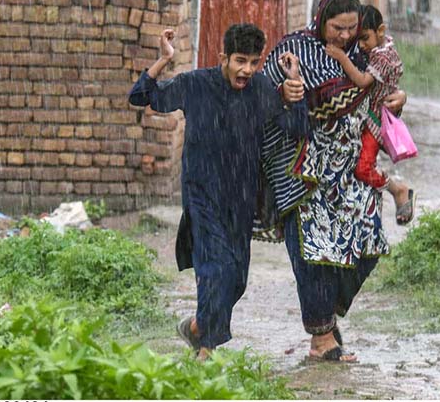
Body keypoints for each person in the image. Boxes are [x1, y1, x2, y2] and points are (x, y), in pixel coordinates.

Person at [128, 25, 308, 360]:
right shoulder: (196, 84)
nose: (247, 70)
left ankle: (197, 327)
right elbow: (141, 96)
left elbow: (296, 129)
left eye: (254, 62)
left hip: (241, 197)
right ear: (223, 57)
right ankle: (206, 351)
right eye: (240, 61)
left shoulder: (261, 89)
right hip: (201, 192)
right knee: (215, 267)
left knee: (236, 277)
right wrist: (165, 59)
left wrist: (294, 90)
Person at [259, 0, 407, 362]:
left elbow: (377, 95)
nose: (344, 35)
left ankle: (326, 313)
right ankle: (322, 337)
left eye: (351, 28)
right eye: (337, 27)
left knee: (367, 249)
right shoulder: (294, 49)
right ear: (321, 19)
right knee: (315, 254)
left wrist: (397, 99)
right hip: (305, 171)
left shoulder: (365, 53)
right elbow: (261, 96)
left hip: (353, 174)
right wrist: (286, 93)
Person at [324, 4, 416, 225]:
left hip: (374, 121)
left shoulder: (381, 57)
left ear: (380, 31)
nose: (361, 45)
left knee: (363, 168)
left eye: (364, 38)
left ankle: (397, 190)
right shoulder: (376, 49)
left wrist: (340, 57)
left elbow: (364, 81)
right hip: (367, 120)